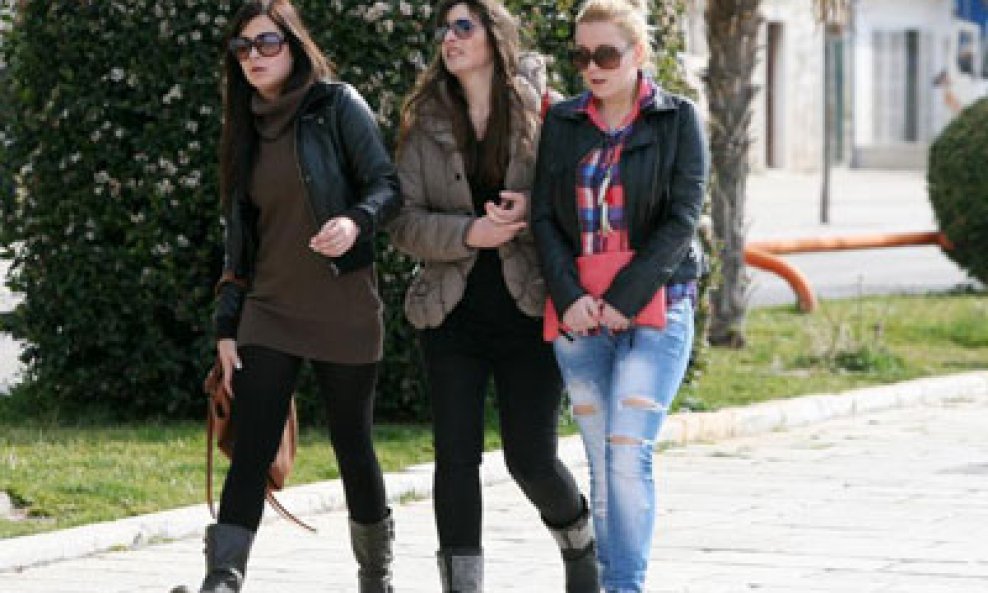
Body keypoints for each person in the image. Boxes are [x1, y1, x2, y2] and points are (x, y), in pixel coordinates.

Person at [171, 1, 401, 592]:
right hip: (269, 309)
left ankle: (376, 577)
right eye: (242, 47)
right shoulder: (244, 128)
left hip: (343, 305)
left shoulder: (337, 105)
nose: (254, 56)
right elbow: (239, 241)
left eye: (267, 43)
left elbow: (386, 185)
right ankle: (222, 580)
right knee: (252, 444)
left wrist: (354, 221)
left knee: (353, 447)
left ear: (294, 46)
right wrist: (227, 327)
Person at [387, 1, 598, 591]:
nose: (450, 38)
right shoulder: (423, 121)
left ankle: (580, 544)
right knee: (455, 458)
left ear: (494, 36)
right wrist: (468, 233)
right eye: (444, 29)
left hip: (528, 310)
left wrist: (532, 209)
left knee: (530, 459)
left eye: (464, 26)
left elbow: (578, 205)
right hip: (450, 314)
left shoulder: (546, 113)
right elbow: (402, 222)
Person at [531, 0, 709, 591]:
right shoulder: (563, 122)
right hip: (580, 314)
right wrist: (572, 297)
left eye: (606, 54)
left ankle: (624, 586)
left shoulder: (677, 118)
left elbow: (682, 218)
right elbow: (544, 218)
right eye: (581, 55)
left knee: (628, 453)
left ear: (638, 53)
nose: (591, 67)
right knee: (602, 464)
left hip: (658, 306)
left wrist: (623, 300)